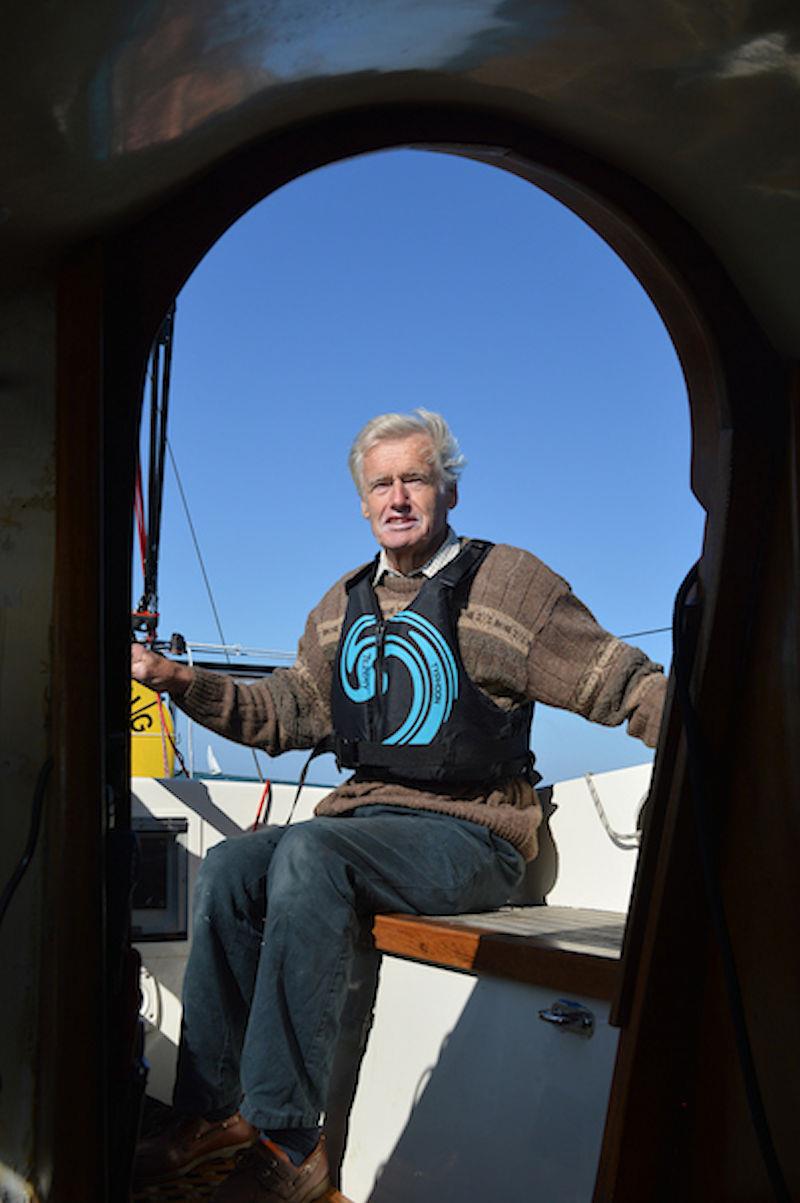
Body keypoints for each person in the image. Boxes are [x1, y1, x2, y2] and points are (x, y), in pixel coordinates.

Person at [131, 409, 666, 1203]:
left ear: (447, 487)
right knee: (236, 863)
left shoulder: (509, 585)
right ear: (362, 502)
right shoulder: (340, 607)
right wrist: (177, 680)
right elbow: (279, 713)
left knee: (311, 852)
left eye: (415, 477)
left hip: (473, 835)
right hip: (370, 827)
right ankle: (212, 1114)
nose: (398, 496)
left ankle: (286, 1139)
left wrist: (721, 750)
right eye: (381, 483)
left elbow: (619, 681)